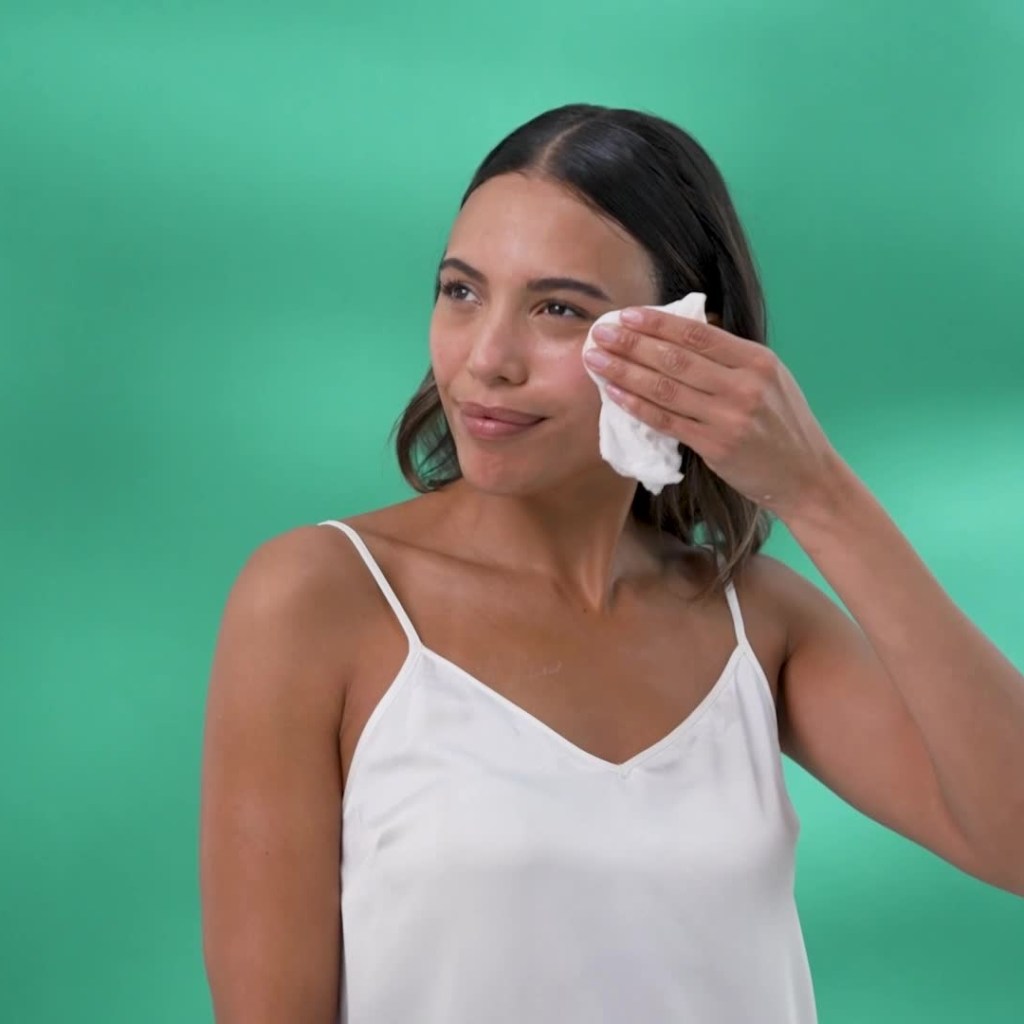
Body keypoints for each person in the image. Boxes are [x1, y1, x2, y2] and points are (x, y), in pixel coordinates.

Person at [199, 103, 1024, 1023]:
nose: (487, 359)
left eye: (558, 309)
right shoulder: (321, 600)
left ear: (687, 336)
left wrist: (819, 492)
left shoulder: (756, 624)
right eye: (461, 291)